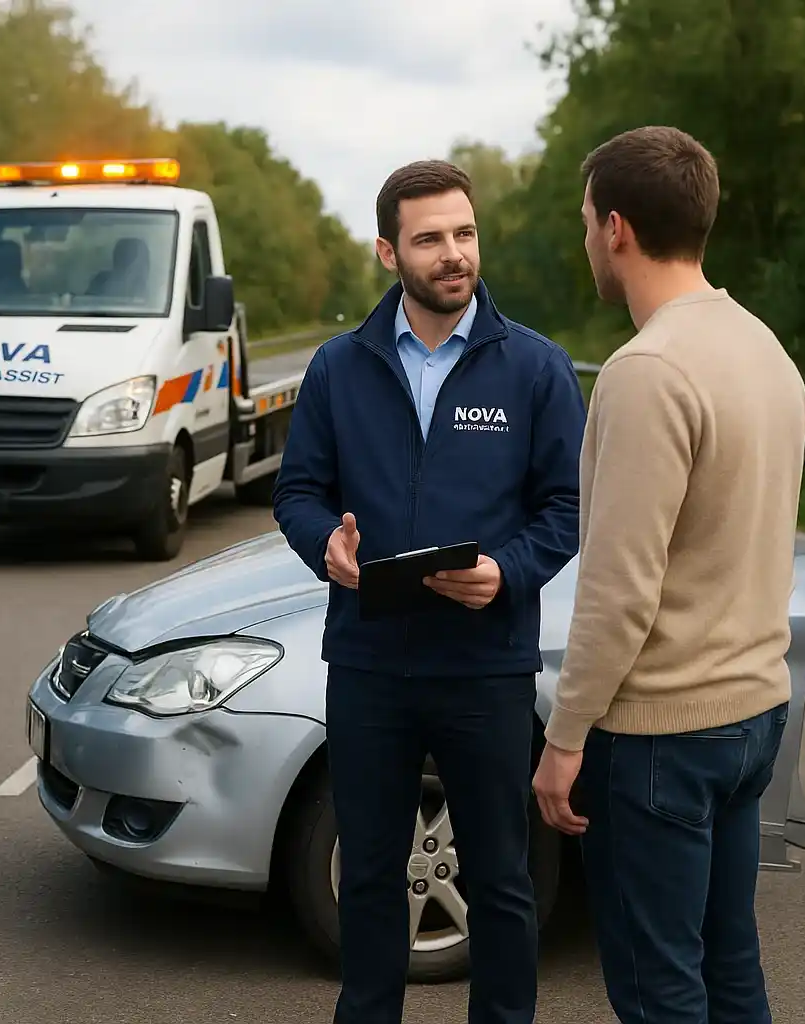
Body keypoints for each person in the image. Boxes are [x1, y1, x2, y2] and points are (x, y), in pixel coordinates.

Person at [272, 159, 586, 1024]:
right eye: (430, 239)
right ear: (387, 252)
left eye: (464, 233)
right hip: (369, 663)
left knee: (502, 878)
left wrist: (508, 573)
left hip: (486, 666)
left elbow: (567, 507)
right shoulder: (339, 368)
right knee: (369, 877)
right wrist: (322, 549)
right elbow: (296, 492)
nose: (454, 254)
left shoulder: (535, 369)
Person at [531, 126, 805, 1023]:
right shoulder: (765, 348)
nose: (586, 243)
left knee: (660, 992)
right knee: (731, 973)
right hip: (753, 714)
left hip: (663, 736)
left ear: (617, 228)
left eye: (584, 224)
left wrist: (564, 738)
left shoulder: (646, 371)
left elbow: (619, 588)